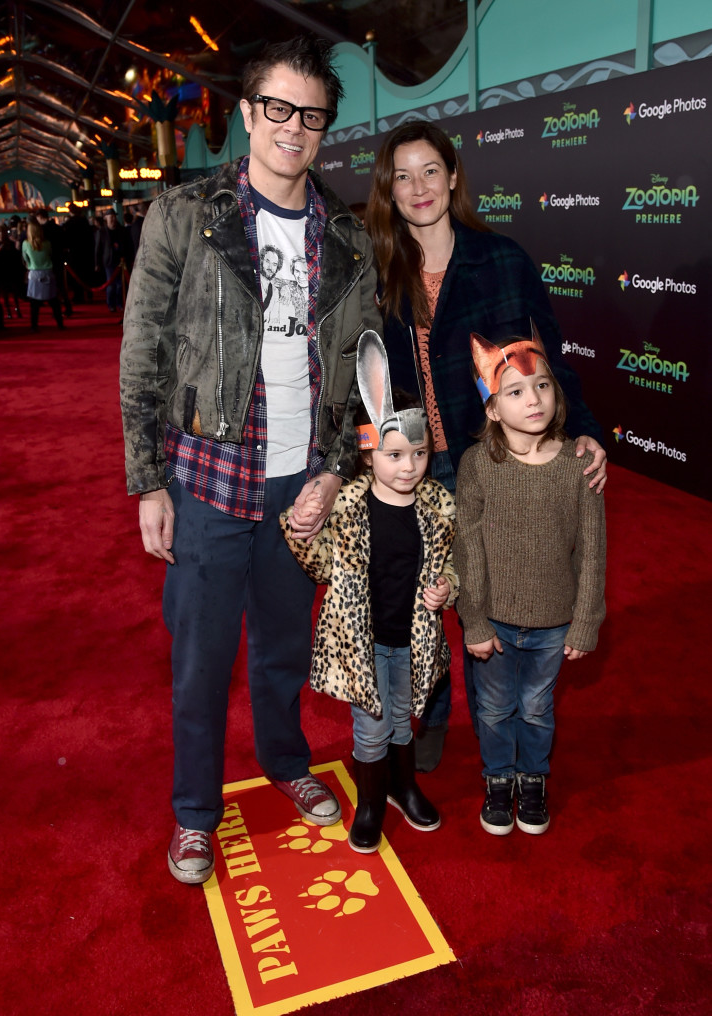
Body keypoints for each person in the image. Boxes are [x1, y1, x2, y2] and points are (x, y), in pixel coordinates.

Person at [119, 36, 381, 885]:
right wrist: (147, 480)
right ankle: (195, 810)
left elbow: (362, 364)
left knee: (280, 649)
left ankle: (285, 760)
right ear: (245, 112)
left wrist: (339, 470)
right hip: (206, 480)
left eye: (312, 115)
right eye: (278, 109)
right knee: (199, 661)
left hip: (302, 484)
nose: (294, 130)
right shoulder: (184, 215)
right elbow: (143, 352)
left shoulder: (345, 235)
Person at [366, 120, 607, 772]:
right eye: (403, 176)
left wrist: (583, 426)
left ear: (452, 177)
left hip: (489, 464)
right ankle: (432, 716)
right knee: (421, 599)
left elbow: (551, 355)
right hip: (409, 468)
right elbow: (362, 379)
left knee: (486, 601)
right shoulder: (377, 273)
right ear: (388, 189)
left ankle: (496, 748)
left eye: (430, 171)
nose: (418, 187)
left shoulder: (502, 259)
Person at [281, 331, 457, 853]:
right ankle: (373, 801)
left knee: (403, 717)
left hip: (412, 637)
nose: (409, 467)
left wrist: (447, 588)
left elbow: (452, 564)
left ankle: (404, 786)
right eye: (396, 454)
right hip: (362, 641)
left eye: (419, 454)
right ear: (367, 450)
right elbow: (320, 566)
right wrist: (298, 527)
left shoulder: (439, 505)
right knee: (371, 727)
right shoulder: (349, 505)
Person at [454, 328, 606, 835]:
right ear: (493, 409)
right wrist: (473, 619)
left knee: (538, 709)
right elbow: (468, 547)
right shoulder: (478, 465)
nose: (533, 399)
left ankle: (533, 778)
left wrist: (585, 622)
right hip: (493, 622)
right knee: (495, 709)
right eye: (515, 391)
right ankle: (498, 779)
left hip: (554, 623)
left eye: (541, 385)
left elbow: (592, 550)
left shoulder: (577, 465)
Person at [21, 217, 64, 331]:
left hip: (34, 273)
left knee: (34, 303)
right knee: (54, 301)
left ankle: (34, 326)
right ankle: (60, 323)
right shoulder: (47, 243)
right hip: (48, 272)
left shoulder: (26, 244)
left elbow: (25, 259)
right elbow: (50, 255)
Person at [94, 208, 132, 312]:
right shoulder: (101, 232)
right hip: (109, 262)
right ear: (106, 218)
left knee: (120, 285)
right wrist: (97, 263)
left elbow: (128, 246)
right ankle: (111, 304)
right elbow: (98, 249)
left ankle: (120, 303)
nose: (113, 219)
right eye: (111, 217)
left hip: (121, 261)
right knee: (111, 285)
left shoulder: (122, 230)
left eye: (114, 217)